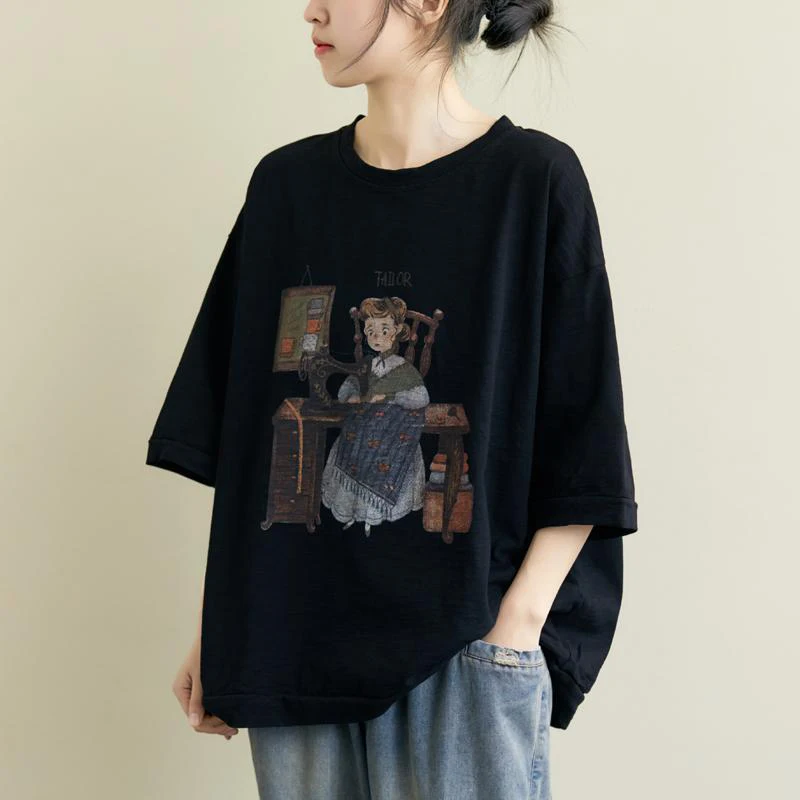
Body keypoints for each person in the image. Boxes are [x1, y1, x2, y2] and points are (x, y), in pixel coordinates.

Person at [147, 1, 639, 798]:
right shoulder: (285, 189)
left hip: (463, 651)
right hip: (293, 641)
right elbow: (244, 441)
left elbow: (586, 446)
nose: (310, 9)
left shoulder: (534, 184)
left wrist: (512, 631)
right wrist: (223, 622)